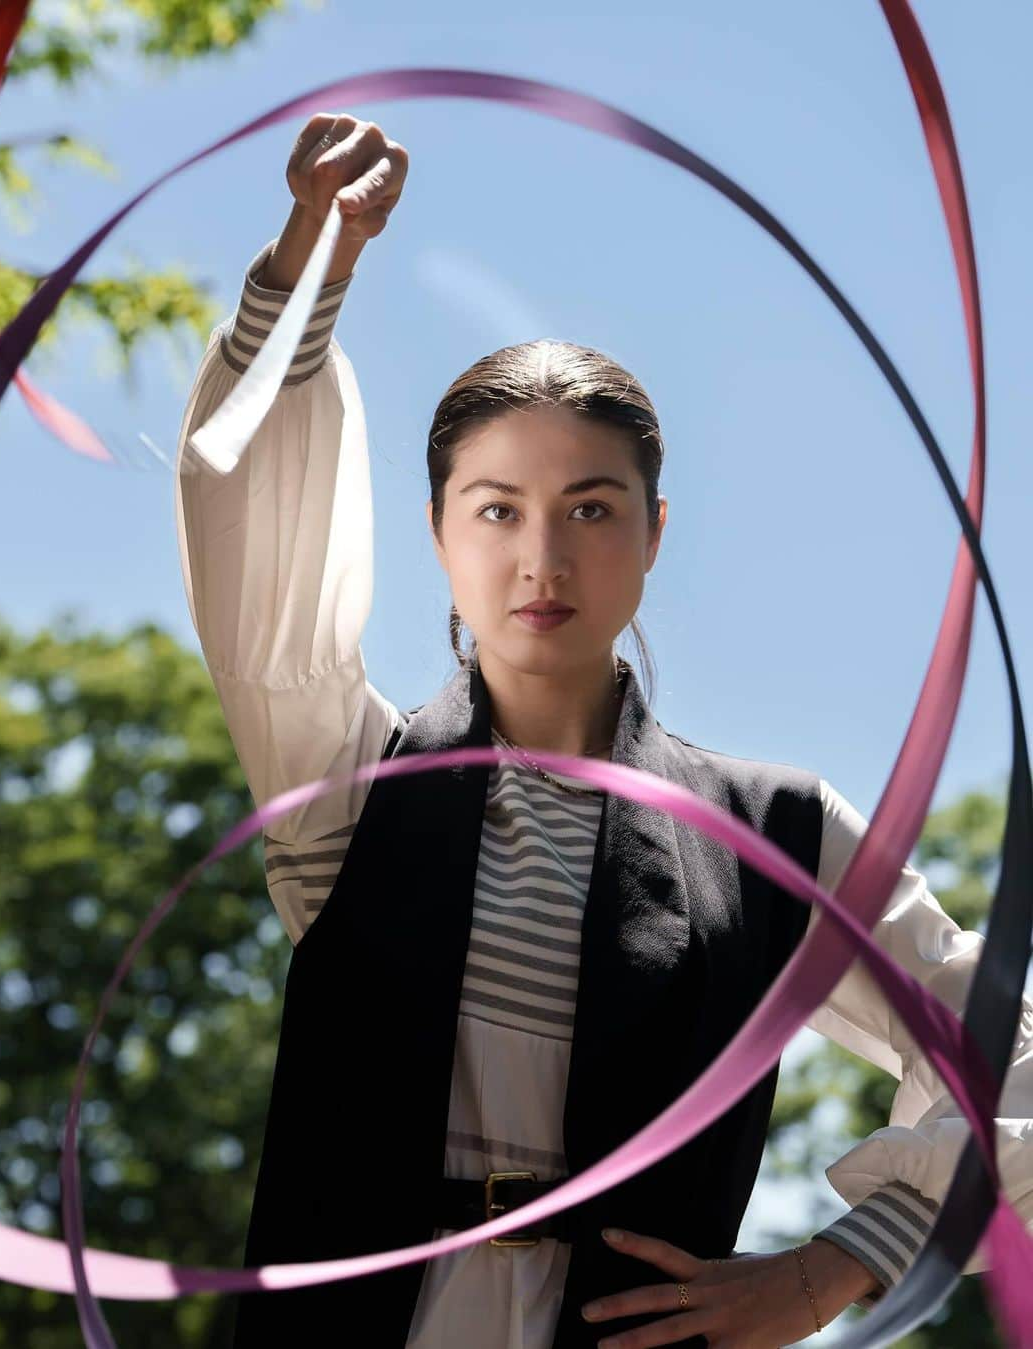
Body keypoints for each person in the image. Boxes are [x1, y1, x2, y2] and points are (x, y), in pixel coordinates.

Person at [174, 113, 1033, 1349]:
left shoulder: (775, 832)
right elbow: (255, 563)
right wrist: (312, 260)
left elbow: (1004, 1039)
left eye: (590, 507)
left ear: (655, 531)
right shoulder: (349, 782)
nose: (543, 557)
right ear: (437, 532)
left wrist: (841, 1261)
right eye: (497, 509)